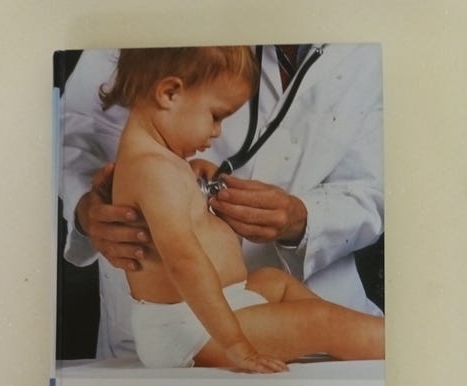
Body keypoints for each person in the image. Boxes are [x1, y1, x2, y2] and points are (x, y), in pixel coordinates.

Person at [60, 43, 384, 359]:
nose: (217, 133)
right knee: (320, 323)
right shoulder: (153, 171)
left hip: (223, 305)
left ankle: (343, 336)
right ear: (169, 93)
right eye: (216, 117)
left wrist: (299, 215)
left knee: (277, 284)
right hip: (195, 330)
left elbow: (374, 186)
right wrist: (236, 345)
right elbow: (185, 263)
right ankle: (389, 346)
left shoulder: (163, 163)